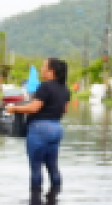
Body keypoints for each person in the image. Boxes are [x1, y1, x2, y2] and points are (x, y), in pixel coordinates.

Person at [6, 57, 70, 192]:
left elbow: (33, 108)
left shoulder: (45, 86)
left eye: (43, 67)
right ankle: (54, 201)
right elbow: (65, 110)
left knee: (36, 169)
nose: (41, 69)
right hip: (56, 128)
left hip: (39, 129)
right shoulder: (65, 89)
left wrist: (14, 108)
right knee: (53, 167)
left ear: (51, 71)